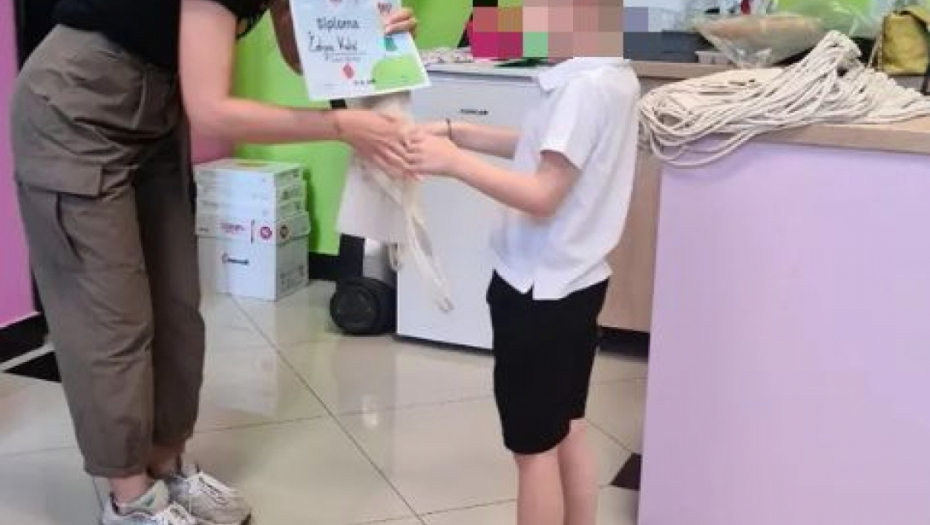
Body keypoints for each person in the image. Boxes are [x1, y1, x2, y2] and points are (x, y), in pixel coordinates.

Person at [9, 1, 416, 524]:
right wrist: (339, 126)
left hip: (157, 108)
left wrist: (368, 40)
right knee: (110, 317)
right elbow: (213, 112)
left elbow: (302, 55)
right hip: (74, 110)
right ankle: (132, 501)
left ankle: (167, 466)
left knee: (177, 307)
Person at [402, 6, 639, 524]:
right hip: (578, 283)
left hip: (536, 292)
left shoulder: (580, 89)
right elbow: (545, 147)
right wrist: (458, 131)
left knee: (533, 453)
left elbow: (542, 193)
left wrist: (454, 163)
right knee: (568, 427)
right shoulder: (612, 75)